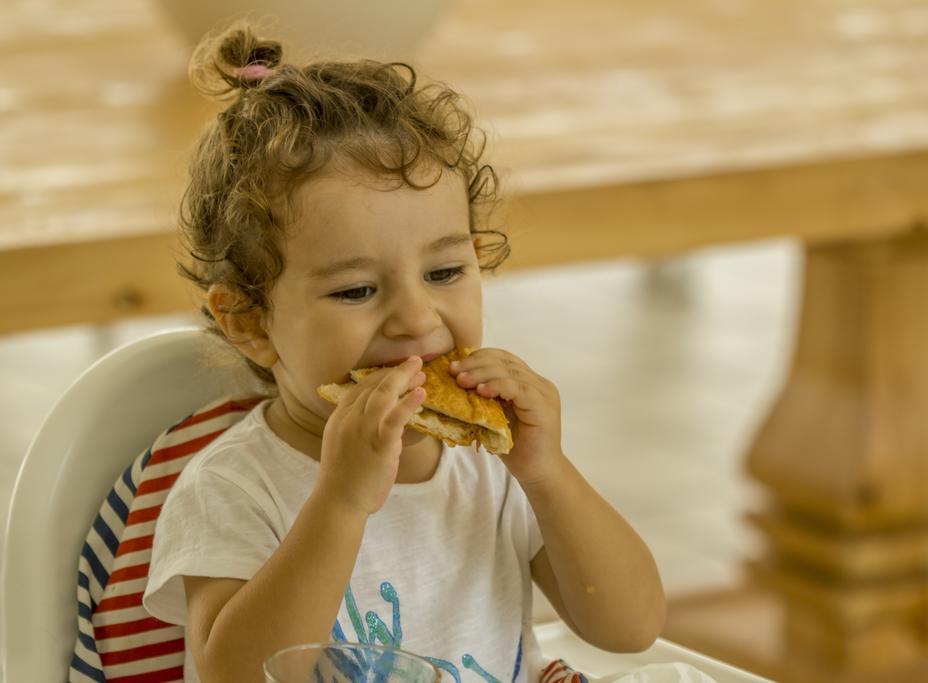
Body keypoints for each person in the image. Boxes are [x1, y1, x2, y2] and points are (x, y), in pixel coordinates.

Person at [142, 21, 666, 683]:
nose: (417, 319)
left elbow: (632, 626)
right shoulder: (235, 487)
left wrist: (548, 472)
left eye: (445, 273)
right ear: (248, 321)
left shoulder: (489, 465)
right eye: (357, 289)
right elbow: (238, 675)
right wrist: (339, 501)